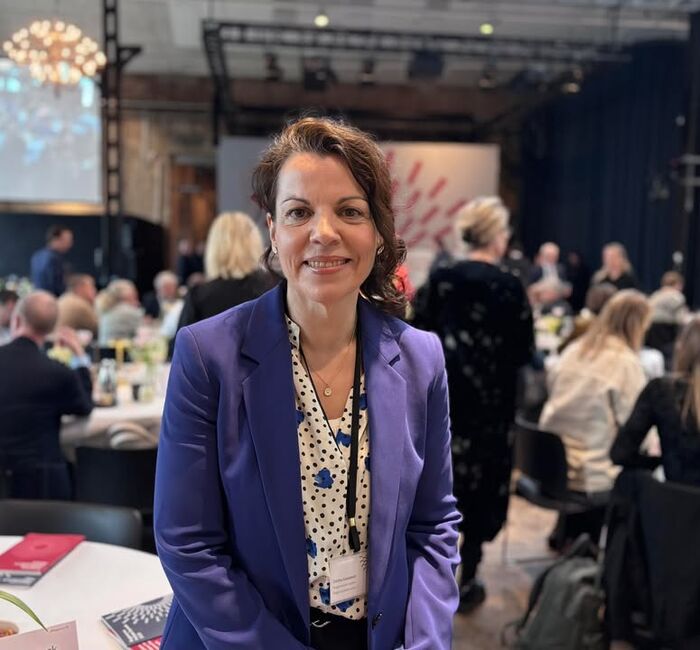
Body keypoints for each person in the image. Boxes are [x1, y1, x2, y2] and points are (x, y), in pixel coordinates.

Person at [154, 117, 460, 650]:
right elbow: (189, 543)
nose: (324, 232)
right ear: (273, 231)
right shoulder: (208, 355)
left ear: (378, 232)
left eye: (350, 211)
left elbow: (433, 526)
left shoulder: (420, 359)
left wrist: (425, 642)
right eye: (299, 212)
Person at [412, 196, 534, 613]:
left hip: (443, 406)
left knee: (438, 487)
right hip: (491, 411)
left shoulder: (442, 280)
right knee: (481, 494)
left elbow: (414, 338)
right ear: (496, 236)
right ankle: (470, 574)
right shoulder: (510, 287)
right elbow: (524, 351)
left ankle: (433, 574)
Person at [539, 290, 651, 545]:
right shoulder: (626, 363)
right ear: (638, 325)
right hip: (590, 474)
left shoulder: (573, 349)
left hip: (548, 467)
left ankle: (568, 534)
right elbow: (636, 425)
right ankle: (613, 552)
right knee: (644, 469)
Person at [0, 291, 92, 499]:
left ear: (16, 320)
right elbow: (85, 406)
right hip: (44, 485)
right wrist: (79, 355)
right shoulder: (57, 373)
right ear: (51, 329)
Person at [611, 317, 700, 487]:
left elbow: (620, 454)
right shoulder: (663, 390)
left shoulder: (661, 390)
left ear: (681, 348)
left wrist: (660, 461)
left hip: (674, 498)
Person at [176, 211, 277, 330]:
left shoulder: (198, 298)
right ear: (255, 244)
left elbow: (181, 341)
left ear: (214, 248)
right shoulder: (276, 289)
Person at [29, 225, 73, 296]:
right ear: (55, 239)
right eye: (67, 240)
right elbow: (56, 286)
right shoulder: (54, 259)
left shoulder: (37, 256)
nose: (70, 244)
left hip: (39, 297)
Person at [96, 279, 143, 345]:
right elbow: (145, 331)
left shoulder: (109, 309)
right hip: (118, 350)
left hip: (104, 349)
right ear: (130, 295)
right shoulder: (128, 311)